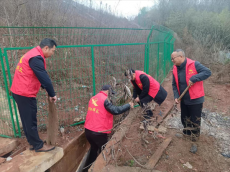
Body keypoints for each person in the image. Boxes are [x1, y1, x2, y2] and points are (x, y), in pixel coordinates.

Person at [11, 38, 57, 152]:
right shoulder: (36, 58)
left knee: (26, 119)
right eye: (53, 51)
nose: (53, 53)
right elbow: (44, 78)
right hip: (25, 93)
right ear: (46, 48)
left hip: (18, 91)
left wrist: (42, 86)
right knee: (30, 120)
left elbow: (33, 74)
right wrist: (52, 94)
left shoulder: (33, 53)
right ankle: (38, 145)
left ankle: (32, 142)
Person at [83, 85, 134, 171]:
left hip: (88, 131)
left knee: (94, 149)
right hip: (98, 132)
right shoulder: (105, 100)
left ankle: (86, 169)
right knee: (104, 152)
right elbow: (115, 110)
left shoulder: (93, 98)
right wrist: (128, 105)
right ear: (107, 91)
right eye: (111, 94)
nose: (111, 96)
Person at [171, 49, 211, 141]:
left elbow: (207, 72)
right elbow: (174, 84)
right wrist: (176, 96)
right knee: (184, 118)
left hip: (195, 99)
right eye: (171, 59)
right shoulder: (175, 68)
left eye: (173, 59)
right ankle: (187, 134)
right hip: (184, 99)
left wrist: (195, 77)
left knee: (195, 120)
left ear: (181, 56)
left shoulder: (194, 64)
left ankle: (195, 140)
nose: (172, 61)